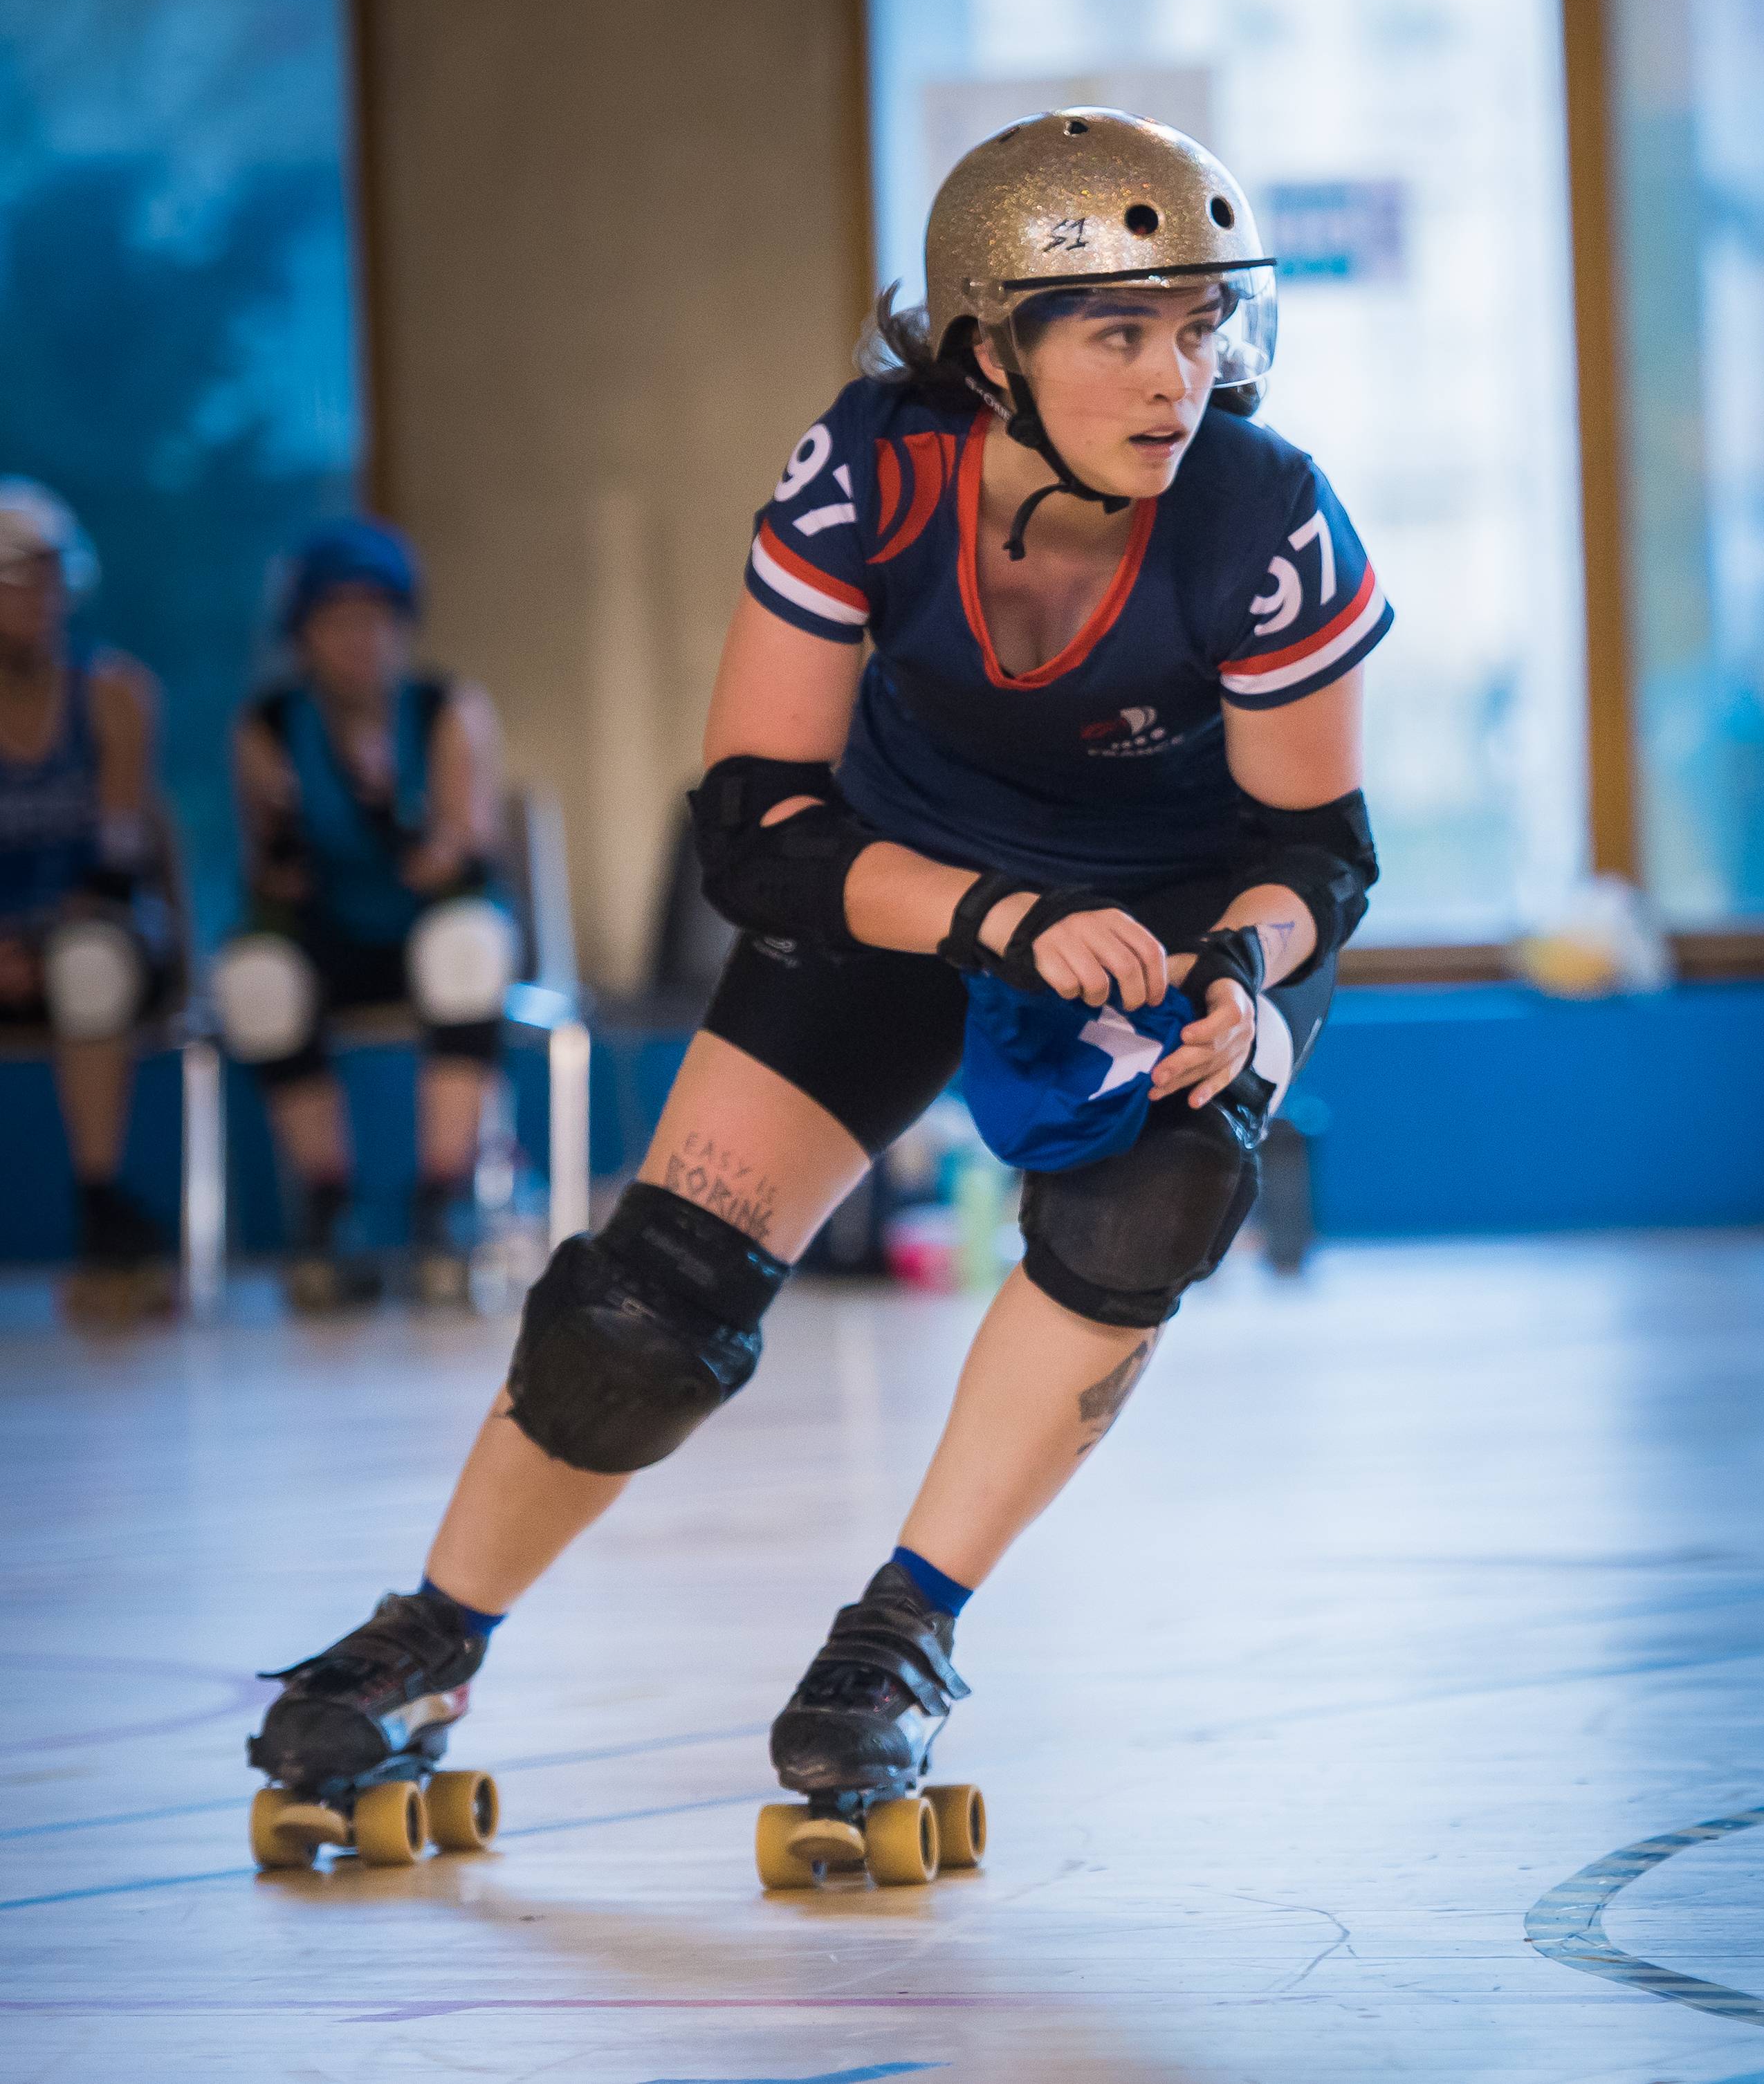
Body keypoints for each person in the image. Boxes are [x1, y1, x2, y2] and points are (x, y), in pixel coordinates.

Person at [241, 111, 1385, 1887]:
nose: (1179, 376)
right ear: (985, 349)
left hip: (1168, 919)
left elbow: (1317, 849)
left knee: (1158, 1193)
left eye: (1197, 326)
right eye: (1119, 331)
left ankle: (899, 1636)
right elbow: (754, 825)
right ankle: (430, 1637)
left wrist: (1245, 973)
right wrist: (992, 913)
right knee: (651, 1302)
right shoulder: (872, 470)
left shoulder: (1264, 512)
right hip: (910, 881)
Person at [220, 519, 516, 1310]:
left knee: (469, 945)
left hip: (422, 925)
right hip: (330, 933)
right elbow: (268, 877)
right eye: (339, 620)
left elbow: (465, 850)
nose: (361, 638)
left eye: (377, 618)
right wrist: (286, 833)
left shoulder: (445, 707)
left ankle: (442, 1198)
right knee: (253, 978)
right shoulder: (270, 723)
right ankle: (330, 1207)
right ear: (302, 634)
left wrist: (392, 814)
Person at [0, 481, 182, 1320]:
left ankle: (101, 1198)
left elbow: (119, 858)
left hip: (93, 935)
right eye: (15, 581)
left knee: (88, 965)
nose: (36, 599)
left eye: (48, 578)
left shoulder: (112, 695)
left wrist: (34, 945)